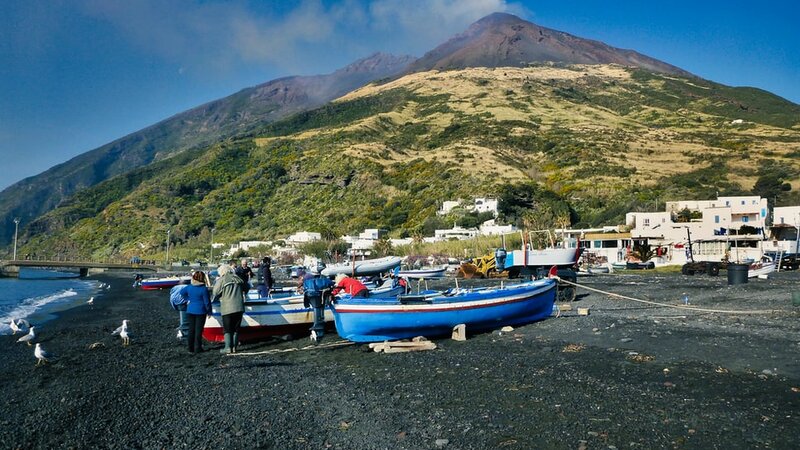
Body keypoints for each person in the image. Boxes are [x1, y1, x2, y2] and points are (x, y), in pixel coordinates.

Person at [212, 264, 246, 354]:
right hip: (239, 307)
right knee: (236, 328)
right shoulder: (238, 278)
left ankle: (227, 348)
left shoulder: (222, 280)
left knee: (227, 329)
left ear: (221, 272)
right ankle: (234, 348)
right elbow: (247, 287)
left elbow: (215, 292)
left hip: (227, 308)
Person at [181, 271, 212, 353]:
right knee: (198, 330)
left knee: (191, 329)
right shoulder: (203, 289)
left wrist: (188, 299)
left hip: (190, 310)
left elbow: (181, 292)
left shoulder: (189, 287)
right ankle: (198, 348)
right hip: (201, 311)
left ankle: (190, 348)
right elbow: (207, 302)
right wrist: (209, 312)